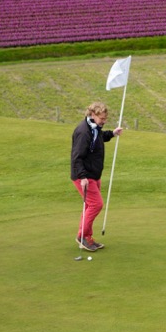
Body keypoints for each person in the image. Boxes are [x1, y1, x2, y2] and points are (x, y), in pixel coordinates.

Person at [70, 101, 123, 252]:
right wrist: (83, 177)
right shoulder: (83, 132)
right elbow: (77, 157)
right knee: (96, 205)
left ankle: (86, 237)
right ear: (93, 115)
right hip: (85, 176)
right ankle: (82, 236)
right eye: (102, 119)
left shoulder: (94, 128)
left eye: (105, 119)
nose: (104, 121)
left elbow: (99, 138)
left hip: (94, 174)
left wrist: (112, 133)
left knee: (89, 206)